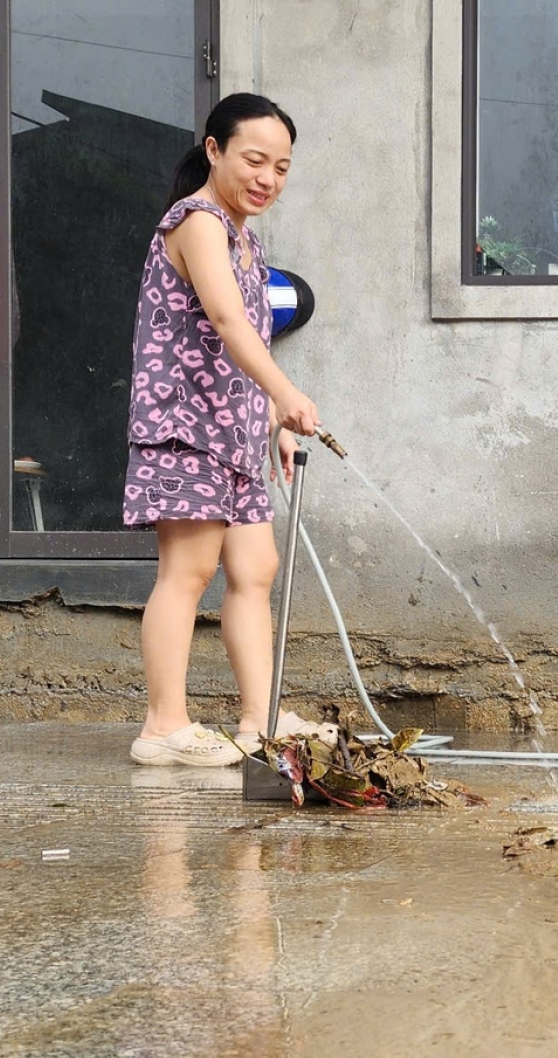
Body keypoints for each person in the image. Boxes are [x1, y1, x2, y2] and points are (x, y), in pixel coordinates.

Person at [125, 94, 335, 767]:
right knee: (187, 571)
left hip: (234, 431)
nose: (268, 177)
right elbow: (225, 321)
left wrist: (271, 419)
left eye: (281, 167)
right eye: (254, 159)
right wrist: (288, 392)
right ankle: (164, 726)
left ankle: (260, 720)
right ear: (214, 150)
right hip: (184, 425)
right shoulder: (197, 221)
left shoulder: (245, 237)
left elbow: (244, 344)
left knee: (254, 567)